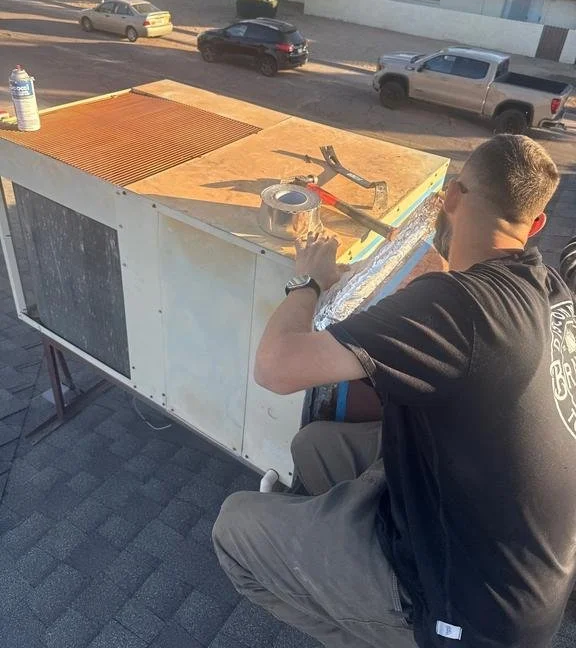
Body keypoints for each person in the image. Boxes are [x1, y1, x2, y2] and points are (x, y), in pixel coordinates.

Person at [213, 134, 576, 648]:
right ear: (535, 224)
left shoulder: (458, 307)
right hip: (527, 576)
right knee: (315, 444)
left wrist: (308, 283)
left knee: (233, 529)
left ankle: (383, 628)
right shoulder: (548, 292)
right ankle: (340, 552)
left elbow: (274, 368)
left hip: (467, 611)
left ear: (451, 197)